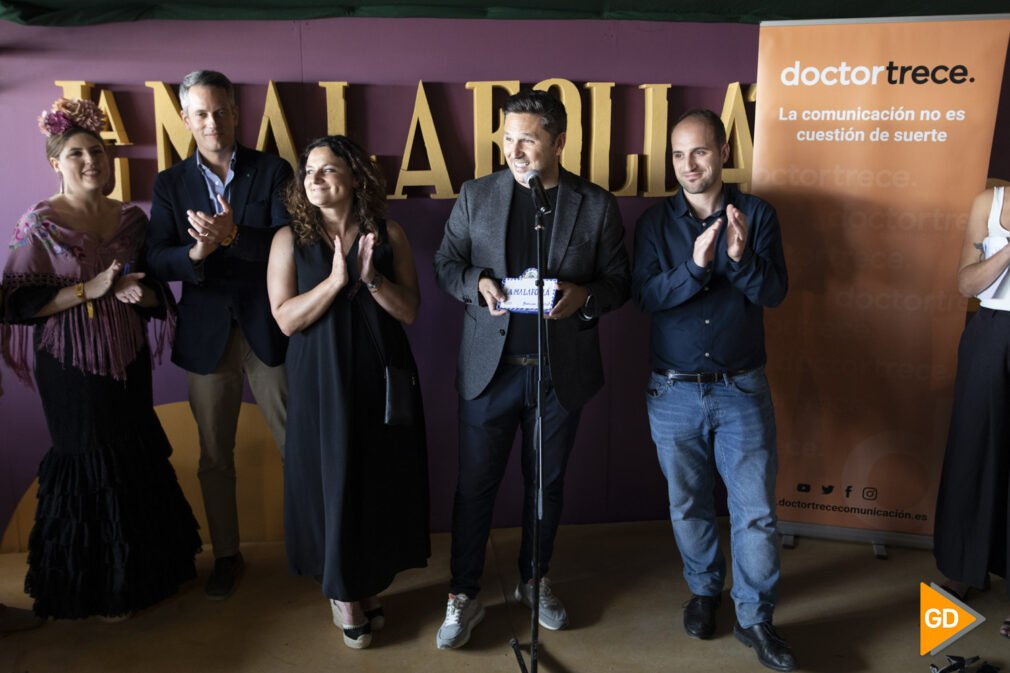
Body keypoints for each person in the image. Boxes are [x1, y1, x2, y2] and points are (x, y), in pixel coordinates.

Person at [433, 89, 630, 649]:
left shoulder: (594, 204)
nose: (513, 149)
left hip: (556, 374)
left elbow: (620, 282)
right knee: (474, 487)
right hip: (487, 371)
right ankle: (463, 593)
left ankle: (533, 579)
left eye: (527, 138)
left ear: (559, 142)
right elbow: (446, 264)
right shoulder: (476, 195)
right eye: (507, 137)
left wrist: (584, 296)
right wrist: (477, 284)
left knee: (545, 487)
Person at [1, 98, 200, 620]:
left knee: (132, 451)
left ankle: (147, 577)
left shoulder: (132, 220)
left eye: (97, 152)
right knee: (87, 456)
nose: (90, 161)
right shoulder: (40, 223)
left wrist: (141, 290)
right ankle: (97, 590)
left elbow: (158, 288)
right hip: (70, 364)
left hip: (126, 356)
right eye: (76, 154)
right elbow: (18, 304)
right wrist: (87, 290)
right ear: (55, 163)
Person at [632, 109, 793, 671]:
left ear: (723, 153)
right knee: (689, 504)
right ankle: (705, 592)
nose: (688, 165)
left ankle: (756, 618)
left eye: (699, 152)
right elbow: (648, 297)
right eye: (678, 154)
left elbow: (774, 293)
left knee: (755, 513)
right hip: (672, 392)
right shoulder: (655, 223)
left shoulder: (758, 213)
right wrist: (698, 267)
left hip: (741, 389)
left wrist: (739, 258)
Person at [266, 135, 429, 649]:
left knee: (377, 475)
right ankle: (342, 592)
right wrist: (336, 282)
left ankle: (367, 580)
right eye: (309, 171)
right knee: (332, 475)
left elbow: (410, 312)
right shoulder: (288, 240)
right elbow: (286, 320)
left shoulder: (390, 233)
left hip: (382, 373)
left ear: (356, 177)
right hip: (321, 376)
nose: (315, 180)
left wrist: (370, 277)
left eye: (328, 170)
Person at [146, 70, 292, 600]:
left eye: (222, 111)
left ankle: (312, 544)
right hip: (207, 337)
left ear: (237, 112)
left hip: (269, 326)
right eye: (202, 114)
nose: (213, 123)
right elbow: (156, 259)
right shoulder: (169, 184)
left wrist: (233, 235)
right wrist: (196, 254)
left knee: (295, 444)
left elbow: (289, 237)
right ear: (185, 119)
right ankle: (227, 555)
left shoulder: (273, 169)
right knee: (214, 456)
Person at [934, 182, 1010, 638]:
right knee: (973, 450)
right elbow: (966, 282)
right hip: (991, 331)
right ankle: (964, 567)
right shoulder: (989, 202)